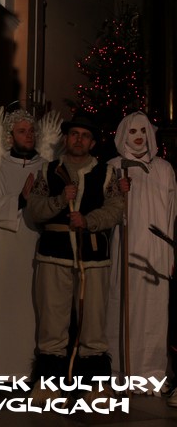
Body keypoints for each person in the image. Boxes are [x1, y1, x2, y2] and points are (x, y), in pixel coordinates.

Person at [27, 112, 124, 403]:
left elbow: (116, 208)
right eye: (74, 134)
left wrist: (88, 220)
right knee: (52, 322)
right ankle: (48, 384)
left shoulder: (106, 173)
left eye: (85, 136)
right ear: (66, 138)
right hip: (53, 255)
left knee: (92, 322)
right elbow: (35, 209)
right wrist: (60, 200)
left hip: (92, 258)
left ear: (92, 143)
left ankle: (94, 386)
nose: (78, 140)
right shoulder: (48, 171)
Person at [0, 108, 57, 380]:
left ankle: (29, 372)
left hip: (37, 244)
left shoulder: (47, 167)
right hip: (4, 248)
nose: (29, 136)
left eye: (31, 131)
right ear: (10, 136)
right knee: (2, 307)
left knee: (33, 308)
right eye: (22, 131)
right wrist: (19, 200)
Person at [106, 111, 176, 396]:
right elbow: (104, 207)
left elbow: (171, 212)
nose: (138, 137)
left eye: (143, 131)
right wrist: (116, 189)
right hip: (127, 246)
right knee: (124, 305)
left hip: (157, 250)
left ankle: (151, 373)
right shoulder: (114, 166)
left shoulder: (165, 169)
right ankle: (121, 370)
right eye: (132, 131)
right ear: (124, 134)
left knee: (155, 310)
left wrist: (170, 253)